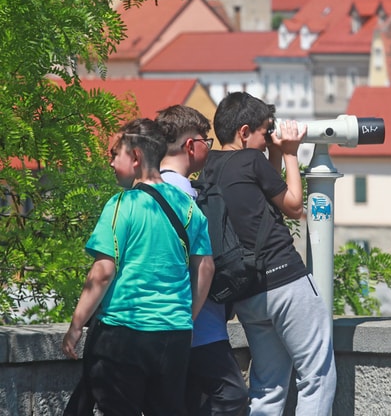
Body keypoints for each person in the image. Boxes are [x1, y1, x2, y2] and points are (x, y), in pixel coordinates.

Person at [62, 118, 214, 416]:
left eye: (113, 154)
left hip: (124, 334)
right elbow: (205, 268)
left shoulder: (122, 205)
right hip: (174, 337)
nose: (109, 163)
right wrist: (184, 317)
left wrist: (76, 325)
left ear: (135, 157)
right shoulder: (189, 206)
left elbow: (103, 271)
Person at [204, 92, 336, 416]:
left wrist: (273, 153)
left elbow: (261, 193)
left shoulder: (209, 168)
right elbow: (292, 206)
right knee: (317, 376)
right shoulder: (251, 160)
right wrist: (291, 153)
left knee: (268, 385)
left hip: (248, 293)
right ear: (244, 132)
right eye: (265, 132)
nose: (267, 141)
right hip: (286, 282)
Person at [156, 104, 249, 416]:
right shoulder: (187, 199)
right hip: (199, 327)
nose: (208, 147)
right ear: (191, 145)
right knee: (231, 396)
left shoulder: (143, 194)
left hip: (160, 327)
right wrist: (189, 318)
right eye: (206, 141)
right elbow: (204, 265)